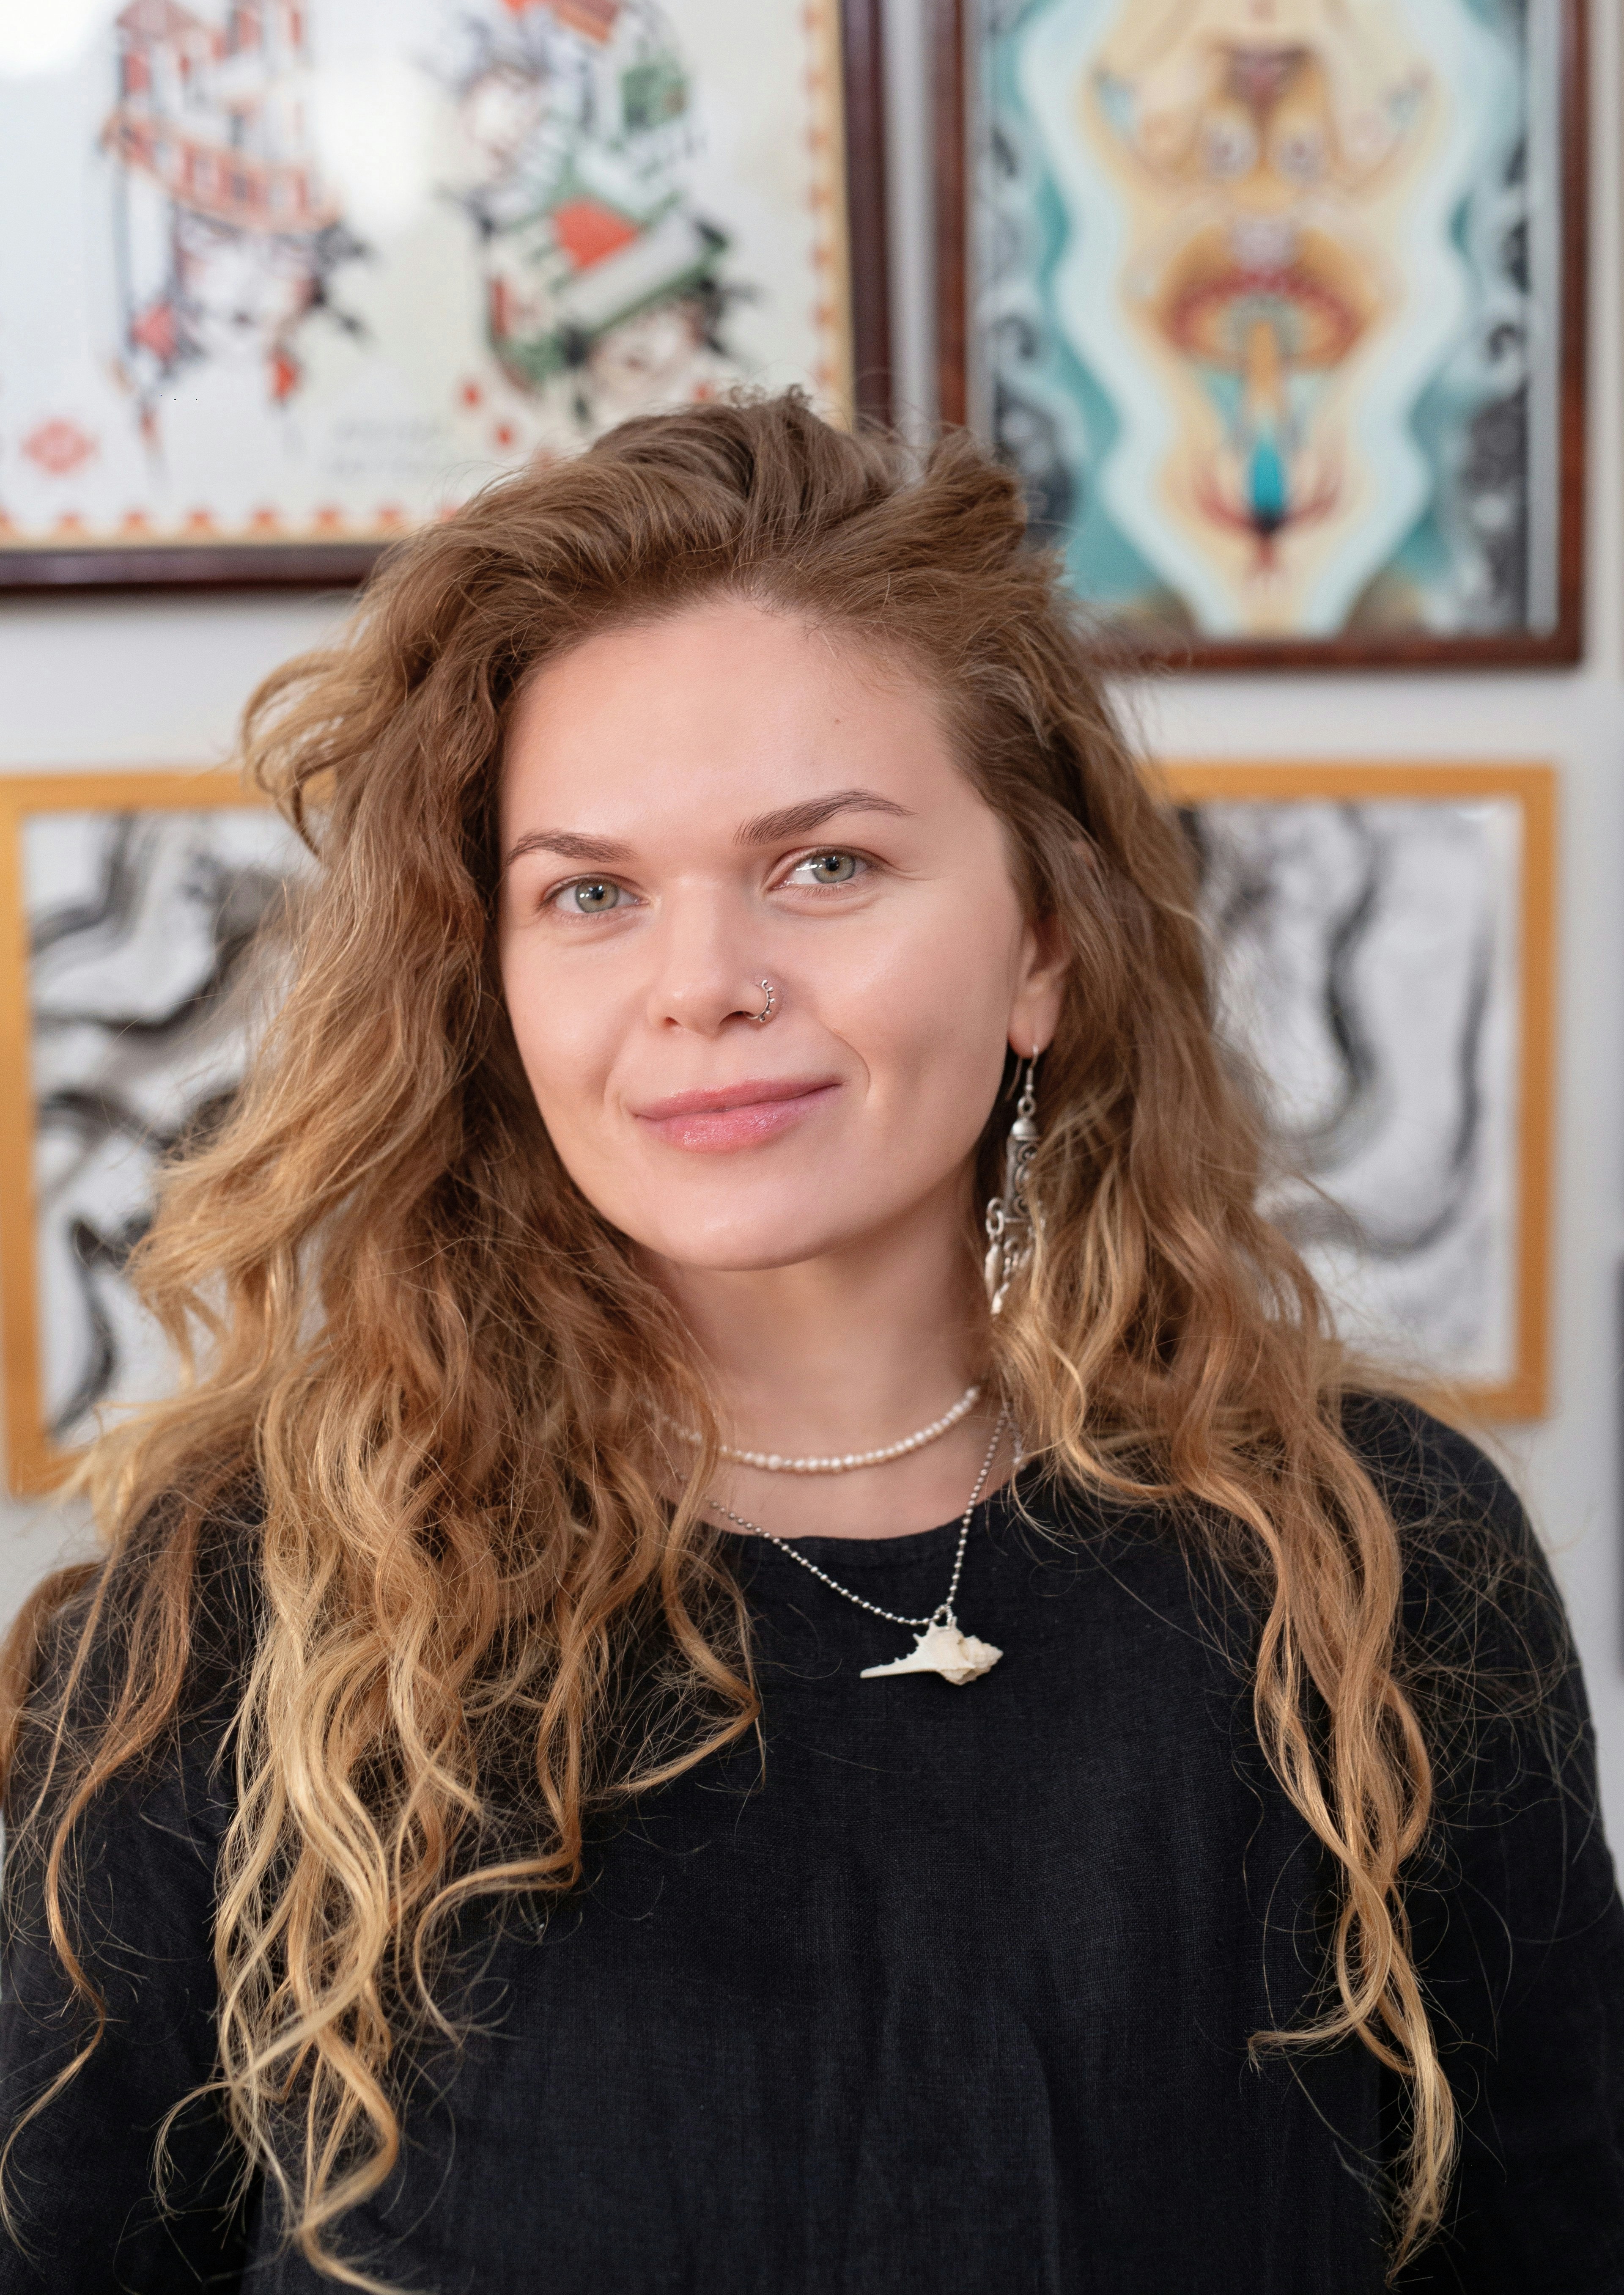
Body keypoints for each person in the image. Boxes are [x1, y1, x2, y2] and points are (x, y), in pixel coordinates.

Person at [1, 394, 1620, 2295]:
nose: (703, 986)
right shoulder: (226, 1615)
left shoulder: (1378, 1557)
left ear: (1043, 944)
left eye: (825, 865)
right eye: (591, 894)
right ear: (491, 981)